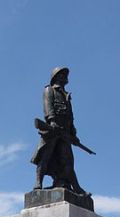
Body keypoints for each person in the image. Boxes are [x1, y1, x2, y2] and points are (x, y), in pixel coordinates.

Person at [31, 67, 88, 195]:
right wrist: (51, 121)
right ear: (55, 77)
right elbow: (48, 105)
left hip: (65, 131)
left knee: (67, 160)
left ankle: (71, 185)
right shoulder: (49, 90)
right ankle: (38, 182)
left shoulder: (66, 95)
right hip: (52, 129)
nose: (64, 77)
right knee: (45, 156)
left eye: (65, 75)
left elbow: (70, 116)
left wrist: (73, 133)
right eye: (61, 74)